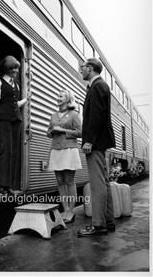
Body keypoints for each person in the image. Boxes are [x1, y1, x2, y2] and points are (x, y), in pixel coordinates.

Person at [78, 58, 116, 236]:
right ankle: (108, 222)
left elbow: (96, 116)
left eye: (83, 67)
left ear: (91, 68)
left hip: (96, 142)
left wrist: (89, 140)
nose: (81, 70)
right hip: (100, 141)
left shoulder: (97, 86)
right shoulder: (99, 86)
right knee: (104, 182)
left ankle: (98, 225)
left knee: (97, 184)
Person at [0, 55, 29, 195]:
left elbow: (15, 104)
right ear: (6, 68)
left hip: (16, 120)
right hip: (4, 119)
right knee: (5, 150)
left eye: (16, 68)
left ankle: (9, 185)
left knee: (13, 152)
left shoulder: (17, 85)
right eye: (12, 68)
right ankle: (2, 185)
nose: (15, 70)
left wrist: (26, 99)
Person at [47, 89, 82, 223]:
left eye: (61, 96)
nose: (58, 98)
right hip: (56, 149)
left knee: (69, 181)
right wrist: (51, 132)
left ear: (68, 99)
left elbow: (80, 132)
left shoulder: (74, 114)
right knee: (60, 182)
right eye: (58, 96)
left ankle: (71, 211)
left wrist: (62, 130)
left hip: (69, 150)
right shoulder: (53, 115)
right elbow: (48, 132)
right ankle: (65, 208)